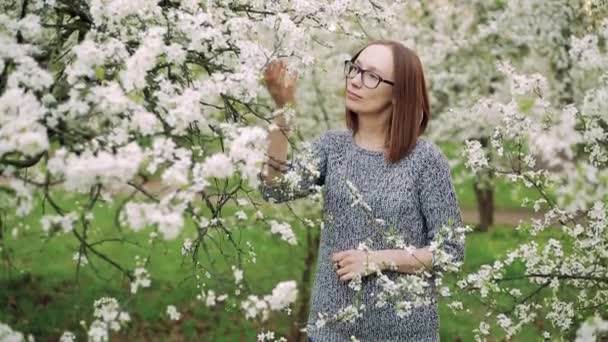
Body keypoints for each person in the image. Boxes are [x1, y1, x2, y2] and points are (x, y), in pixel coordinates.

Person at [258, 39, 465, 342]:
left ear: (398, 94)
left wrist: (377, 259)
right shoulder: (332, 148)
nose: (355, 79)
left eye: (371, 75)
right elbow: (274, 189)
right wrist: (283, 110)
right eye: (354, 68)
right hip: (330, 331)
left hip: (404, 333)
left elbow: (451, 251)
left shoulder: (425, 160)